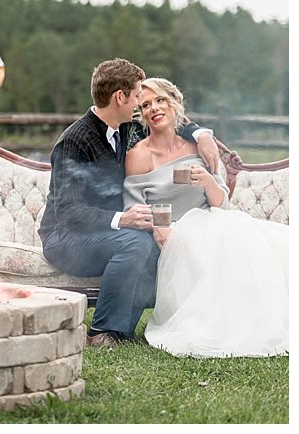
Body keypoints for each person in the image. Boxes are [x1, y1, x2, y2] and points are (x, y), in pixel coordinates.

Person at [37, 58, 219, 348]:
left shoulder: (127, 129)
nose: (139, 104)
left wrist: (201, 134)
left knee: (145, 240)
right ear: (120, 97)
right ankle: (102, 332)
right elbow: (69, 212)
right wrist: (122, 219)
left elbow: (169, 120)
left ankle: (121, 331)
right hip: (66, 237)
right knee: (134, 242)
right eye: (136, 96)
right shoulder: (74, 142)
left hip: (103, 233)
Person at [123, 77, 288, 358]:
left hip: (212, 218)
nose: (154, 108)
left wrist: (208, 183)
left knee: (267, 243)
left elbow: (222, 203)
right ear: (142, 115)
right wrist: (161, 228)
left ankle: (251, 321)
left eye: (161, 100)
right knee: (202, 245)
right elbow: (136, 205)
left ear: (174, 105)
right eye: (146, 105)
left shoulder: (196, 147)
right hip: (173, 228)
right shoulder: (139, 155)